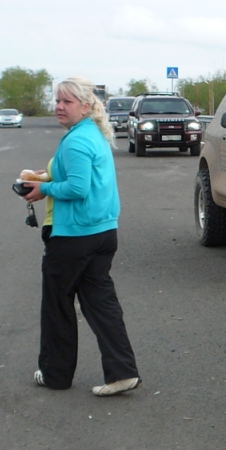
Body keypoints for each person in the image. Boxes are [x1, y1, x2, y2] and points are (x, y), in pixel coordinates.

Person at [22, 76, 141, 396]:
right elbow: (80, 177)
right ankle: (123, 372)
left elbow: (78, 188)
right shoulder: (93, 134)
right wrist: (48, 177)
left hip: (74, 236)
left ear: (85, 106)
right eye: (57, 100)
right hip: (103, 233)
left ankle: (55, 374)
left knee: (57, 306)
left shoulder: (76, 140)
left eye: (67, 101)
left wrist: (44, 189)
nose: (59, 107)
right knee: (101, 305)